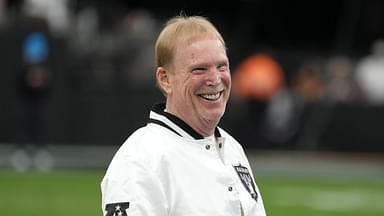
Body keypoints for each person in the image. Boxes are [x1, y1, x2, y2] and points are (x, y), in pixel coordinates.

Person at [101, 15, 266, 216]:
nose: (215, 79)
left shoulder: (231, 148)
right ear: (165, 79)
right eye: (199, 69)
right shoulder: (140, 159)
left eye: (222, 66)